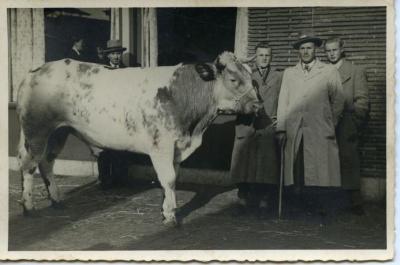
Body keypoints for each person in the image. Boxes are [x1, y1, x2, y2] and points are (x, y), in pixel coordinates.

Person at [276, 31, 345, 213]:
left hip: (319, 128)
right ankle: (298, 207)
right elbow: (283, 102)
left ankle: (319, 207)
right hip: (295, 128)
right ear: (298, 51)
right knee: (298, 167)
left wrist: (331, 122)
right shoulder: (289, 73)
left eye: (309, 48)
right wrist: (281, 128)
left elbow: (338, 100)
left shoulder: (328, 71)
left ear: (315, 50)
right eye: (302, 48)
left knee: (320, 168)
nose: (306, 51)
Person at [230, 42, 282, 217]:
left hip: (267, 125)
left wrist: (279, 119)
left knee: (266, 166)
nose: (264, 58)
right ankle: (243, 200)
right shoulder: (245, 75)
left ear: (271, 57)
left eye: (267, 55)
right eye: (260, 55)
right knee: (243, 165)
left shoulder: (278, 77)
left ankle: (264, 201)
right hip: (246, 124)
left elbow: (284, 99)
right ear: (255, 57)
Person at [325, 37, 369, 215]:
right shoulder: (324, 71)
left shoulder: (355, 70)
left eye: (334, 50)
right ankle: (331, 202)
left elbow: (363, 100)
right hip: (327, 122)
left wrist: (355, 122)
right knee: (328, 161)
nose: (331, 54)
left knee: (349, 159)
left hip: (346, 122)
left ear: (342, 49)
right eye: (328, 51)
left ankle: (354, 201)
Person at [97, 39, 129, 189]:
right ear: (108, 56)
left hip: (121, 114)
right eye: (113, 54)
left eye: (118, 53)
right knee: (105, 149)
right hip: (105, 113)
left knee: (121, 147)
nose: (116, 57)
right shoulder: (101, 71)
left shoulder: (127, 71)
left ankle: (120, 179)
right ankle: (104, 179)